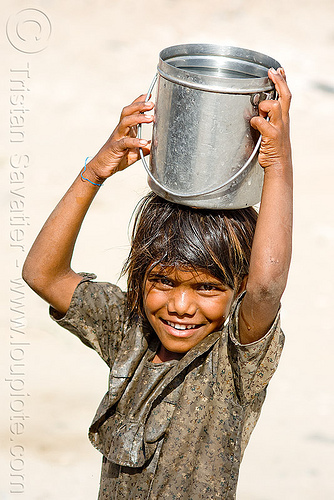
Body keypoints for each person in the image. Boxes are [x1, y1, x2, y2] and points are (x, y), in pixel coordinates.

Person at [22, 67, 292, 499]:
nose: (181, 306)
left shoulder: (233, 363)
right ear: (139, 278)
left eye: (207, 288)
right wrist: (97, 169)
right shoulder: (131, 331)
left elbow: (266, 287)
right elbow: (43, 275)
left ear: (237, 288)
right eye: (163, 281)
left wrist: (277, 162)